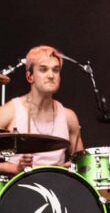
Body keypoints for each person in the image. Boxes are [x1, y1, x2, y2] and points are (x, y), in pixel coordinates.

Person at [0, 45, 84, 174]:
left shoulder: (69, 117)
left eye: (55, 70)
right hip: (18, 189)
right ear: (30, 77)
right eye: (43, 70)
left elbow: (82, 165)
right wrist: (15, 168)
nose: (51, 75)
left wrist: (70, 168)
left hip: (57, 190)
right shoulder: (10, 111)